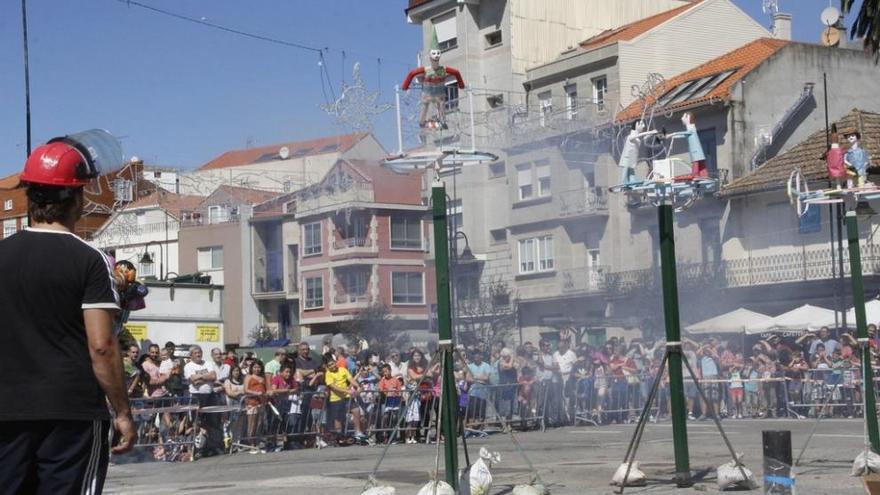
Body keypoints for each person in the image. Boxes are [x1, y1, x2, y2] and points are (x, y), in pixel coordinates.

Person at [0, 139, 135, 494]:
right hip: (71, 413)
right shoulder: (90, 260)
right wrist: (122, 411)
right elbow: (102, 346)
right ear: (77, 198)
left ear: (29, 195)